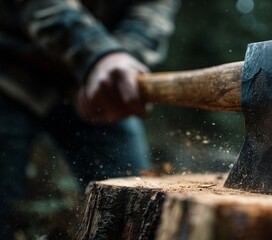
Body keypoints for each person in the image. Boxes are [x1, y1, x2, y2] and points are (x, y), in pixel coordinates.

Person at [0, 0, 179, 238]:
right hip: (12, 74)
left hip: (100, 82)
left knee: (134, 204)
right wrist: (97, 54)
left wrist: (120, 64)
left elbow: (152, 10)